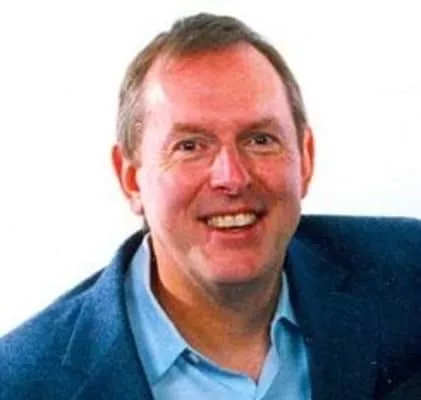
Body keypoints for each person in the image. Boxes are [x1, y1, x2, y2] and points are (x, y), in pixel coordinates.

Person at [1, 12, 421, 400]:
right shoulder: (23, 385)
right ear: (131, 178)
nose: (232, 177)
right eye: (190, 146)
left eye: (260, 139)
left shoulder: (407, 278)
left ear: (305, 159)